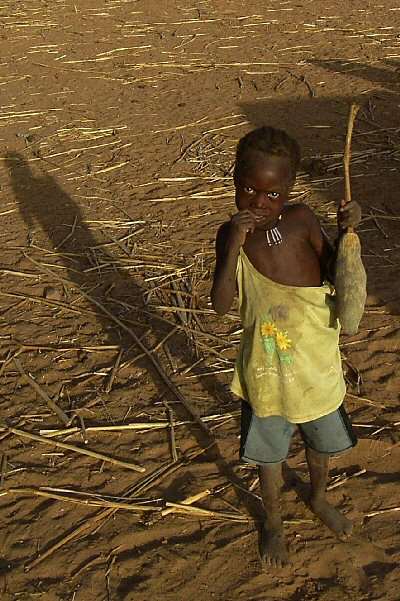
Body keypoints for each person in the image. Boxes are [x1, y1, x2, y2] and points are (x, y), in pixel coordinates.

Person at [211, 126, 362, 568]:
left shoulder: (301, 220)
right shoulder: (230, 236)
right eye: (249, 189)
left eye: (272, 194)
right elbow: (220, 304)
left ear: (290, 190)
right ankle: (274, 521)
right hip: (267, 368)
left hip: (315, 362)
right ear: (235, 181)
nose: (259, 202)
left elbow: (334, 270)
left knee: (319, 443)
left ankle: (318, 496)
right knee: (270, 455)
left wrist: (347, 231)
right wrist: (233, 246)